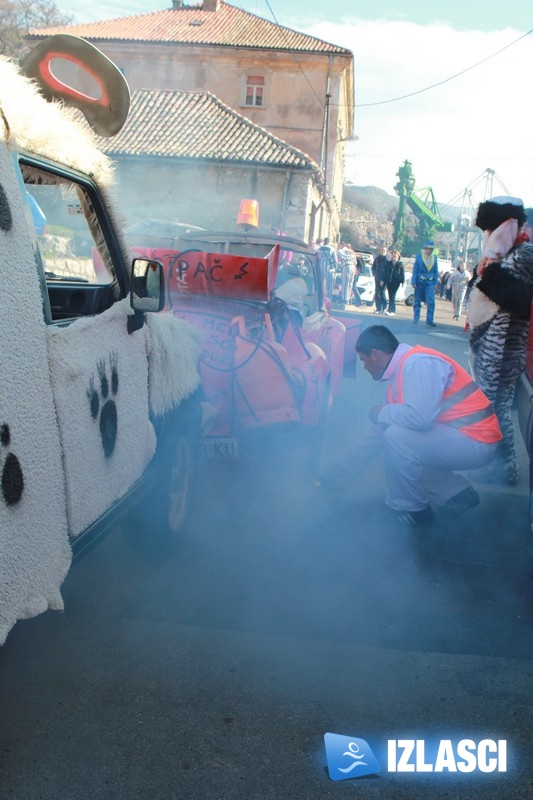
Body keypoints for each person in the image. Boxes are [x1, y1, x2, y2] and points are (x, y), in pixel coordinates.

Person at [317, 325, 502, 527]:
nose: (365, 368)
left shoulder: (417, 364)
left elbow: (420, 419)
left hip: (477, 439)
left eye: (363, 360)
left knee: (397, 439)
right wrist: (342, 470)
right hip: (464, 436)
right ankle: (456, 493)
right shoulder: (405, 371)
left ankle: (412, 510)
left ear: (375, 354)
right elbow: (377, 435)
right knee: (398, 445)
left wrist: (382, 412)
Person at [467, 196, 533, 485]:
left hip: (505, 347)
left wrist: (488, 270)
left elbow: (515, 297)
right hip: (491, 345)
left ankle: (504, 467)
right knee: (491, 406)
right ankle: (498, 465)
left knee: (496, 408)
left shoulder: (524, 255)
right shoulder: (504, 255)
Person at [412, 240, 439, 326]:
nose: (430, 251)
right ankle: (416, 318)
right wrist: (414, 281)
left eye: (432, 249)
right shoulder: (419, 257)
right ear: (425, 248)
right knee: (417, 301)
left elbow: (436, 272)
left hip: (430, 283)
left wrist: (435, 284)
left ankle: (429, 320)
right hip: (420, 281)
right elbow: (415, 271)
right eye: (429, 249)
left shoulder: (434, 258)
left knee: (431, 301)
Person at [372, 245, 391, 314]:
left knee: (382, 293)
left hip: (384, 280)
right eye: (381, 250)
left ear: (386, 252)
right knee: (377, 293)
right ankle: (378, 308)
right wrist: (374, 274)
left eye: (384, 251)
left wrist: (383, 280)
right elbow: (373, 267)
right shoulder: (377, 259)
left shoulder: (387, 260)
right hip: (377, 278)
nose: (382, 252)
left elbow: (387, 271)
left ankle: (384, 307)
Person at [385, 249, 405, 315]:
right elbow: (386, 272)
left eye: (395, 255)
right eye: (393, 255)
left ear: (398, 256)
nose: (394, 256)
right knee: (390, 296)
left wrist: (403, 282)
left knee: (392, 296)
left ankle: (392, 310)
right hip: (389, 282)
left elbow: (402, 273)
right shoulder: (389, 263)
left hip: (396, 282)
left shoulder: (400, 264)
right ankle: (390, 309)